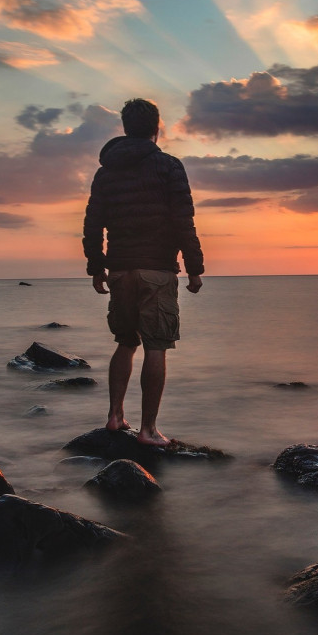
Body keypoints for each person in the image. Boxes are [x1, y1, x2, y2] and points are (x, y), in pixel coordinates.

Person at [83, 98, 204, 447]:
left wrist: (96, 266)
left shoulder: (106, 172)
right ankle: (148, 430)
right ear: (156, 127)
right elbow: (184, 220)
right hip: (157, 270)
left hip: (120, 269)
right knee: (156, 346)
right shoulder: (168, 166)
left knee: (125, 342)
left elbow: (93, 223)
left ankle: (114, 416)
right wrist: (194, 269)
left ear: (125, 127)